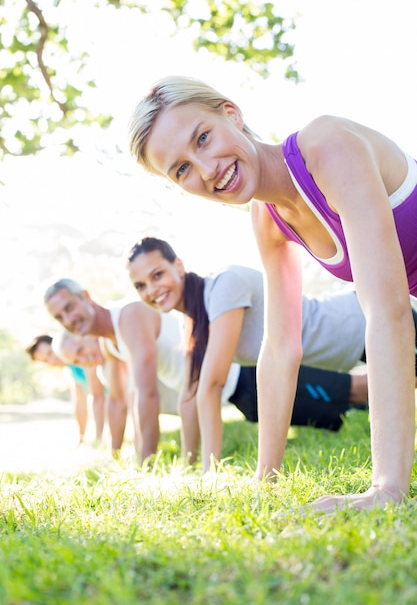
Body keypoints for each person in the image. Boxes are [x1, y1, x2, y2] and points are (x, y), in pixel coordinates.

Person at [128, 76, 417, 510]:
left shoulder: (327, 146)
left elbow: (387, 309)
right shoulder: (267, 219)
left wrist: (388, 487)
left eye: (203, 138)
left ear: (232, 114)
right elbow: (281, 348)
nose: (207, 170)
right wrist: (267, 479)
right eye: (182, 169)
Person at [126, 237, 374, 469]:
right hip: (338, 352)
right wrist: (188, 465)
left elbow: (211, 385)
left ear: (178, 266)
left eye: (157, 275)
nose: (151, 290)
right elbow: (190, 393)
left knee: (405, 382)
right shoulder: (191, 319)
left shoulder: (224, 286)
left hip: (358, 322)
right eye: (140, 286)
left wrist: (209, 472)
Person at [43, 278, 186, 463]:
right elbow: (117, 402)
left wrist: (145, 461)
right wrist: (114, 458)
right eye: (59, 317)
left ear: (86, 297)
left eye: (69, 307)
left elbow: (145, 395)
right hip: (188, 398)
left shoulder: (129, 317)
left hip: (222, 384)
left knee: (137, 390)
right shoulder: (108, 342)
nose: (68, 320)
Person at [25, 334, 106, 445]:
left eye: (50, 353)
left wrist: (98, 438)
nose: (51, 361)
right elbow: (79, 404)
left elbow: (98, 396)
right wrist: (81, 440)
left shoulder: (84, 357)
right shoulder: (71, 370)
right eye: (46, 361)